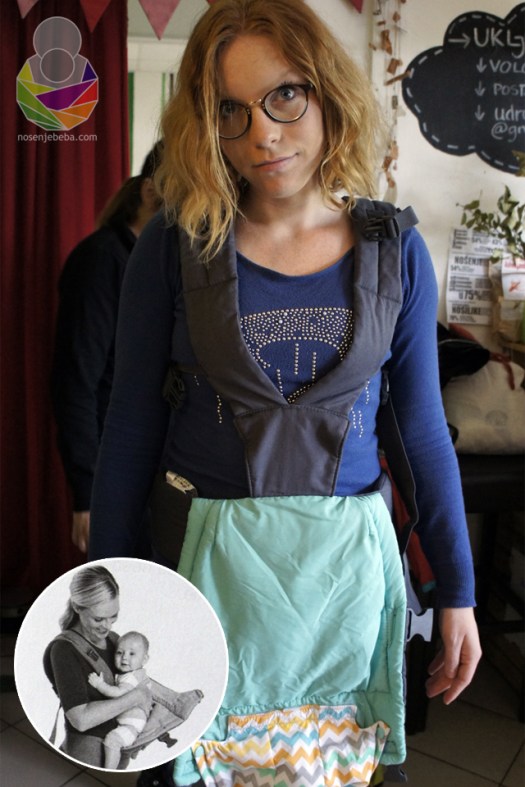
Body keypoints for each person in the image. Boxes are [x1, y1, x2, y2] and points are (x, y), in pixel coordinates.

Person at [89, 1, 482, 785]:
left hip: (339, 589)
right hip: (201, 573)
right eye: (229, 110)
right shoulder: (173, 243)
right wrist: (112, 587)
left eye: (285, 96)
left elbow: (418, 429)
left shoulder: (392, 247)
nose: (261, 134)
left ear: (327, 92)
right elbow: (129, 424)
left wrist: (457, 589)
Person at [51, 144, 163, 555]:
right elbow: (75, 383)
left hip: (153, 465)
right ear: (149, 192)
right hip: (114, 467)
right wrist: (87, 493)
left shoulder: (158, 262)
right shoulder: (102, 260)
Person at [44, 565, 152, 768]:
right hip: (89, 753)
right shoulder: (63, 650)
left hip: (122, 742)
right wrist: (135, 697)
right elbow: (80, 719)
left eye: (114, 616)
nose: (108, 626)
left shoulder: (115, 640)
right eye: (99, 619)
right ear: (77, 607)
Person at [88, 630, 152, 770]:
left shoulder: (132, 677)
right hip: (130, 724)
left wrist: (100, 685)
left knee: (112, 741)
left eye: (132, 654)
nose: (124, 658)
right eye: (119, 652)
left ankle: (108, 770)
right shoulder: (134, 674)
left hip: (131, 726)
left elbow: (118, 694)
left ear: (144, 659)